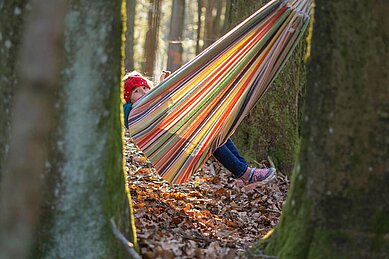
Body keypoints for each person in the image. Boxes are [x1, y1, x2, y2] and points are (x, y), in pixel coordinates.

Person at [123, 71, 276, 189]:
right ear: (129, 97)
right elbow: (148, 117)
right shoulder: (133, 112)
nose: (143, 93)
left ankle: (245, 172)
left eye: (145, 88)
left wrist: (164, 87)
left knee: (216, 132)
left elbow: (163, 110)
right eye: (136, 91)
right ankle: (245, 174)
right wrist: (164, 90)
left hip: (179, 139)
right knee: (210, 139)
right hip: (173, 149)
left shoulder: (149, 105)